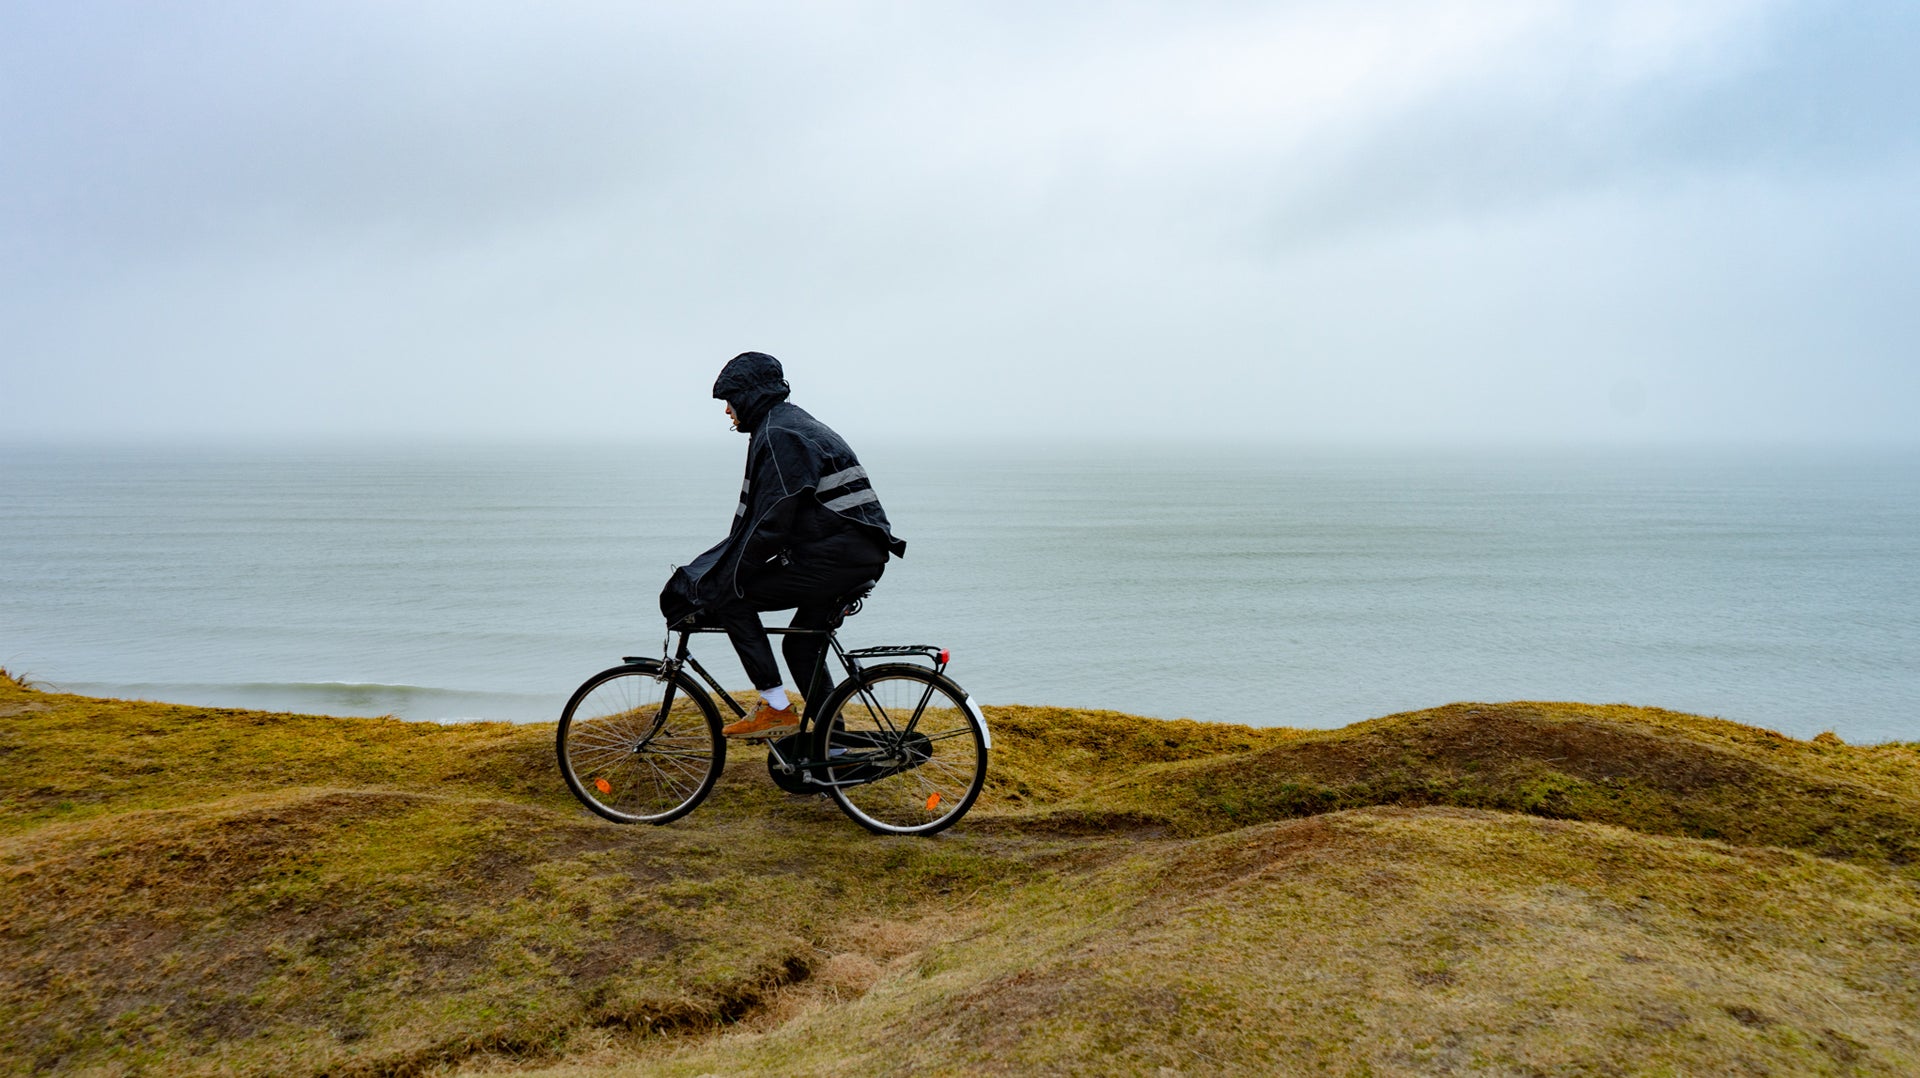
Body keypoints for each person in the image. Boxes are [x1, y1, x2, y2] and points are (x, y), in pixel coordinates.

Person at [660, 351, 906, 739]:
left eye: (730, 400)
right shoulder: (787, 424)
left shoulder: (779, 435)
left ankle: (775, 708)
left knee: (732, 597)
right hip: (855, 554)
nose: (727, 410)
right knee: (799, 647)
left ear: (749, 396)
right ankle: (833, 747)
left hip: (835, 557)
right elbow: (767, 522)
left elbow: (771, 522)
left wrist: (726, 577)